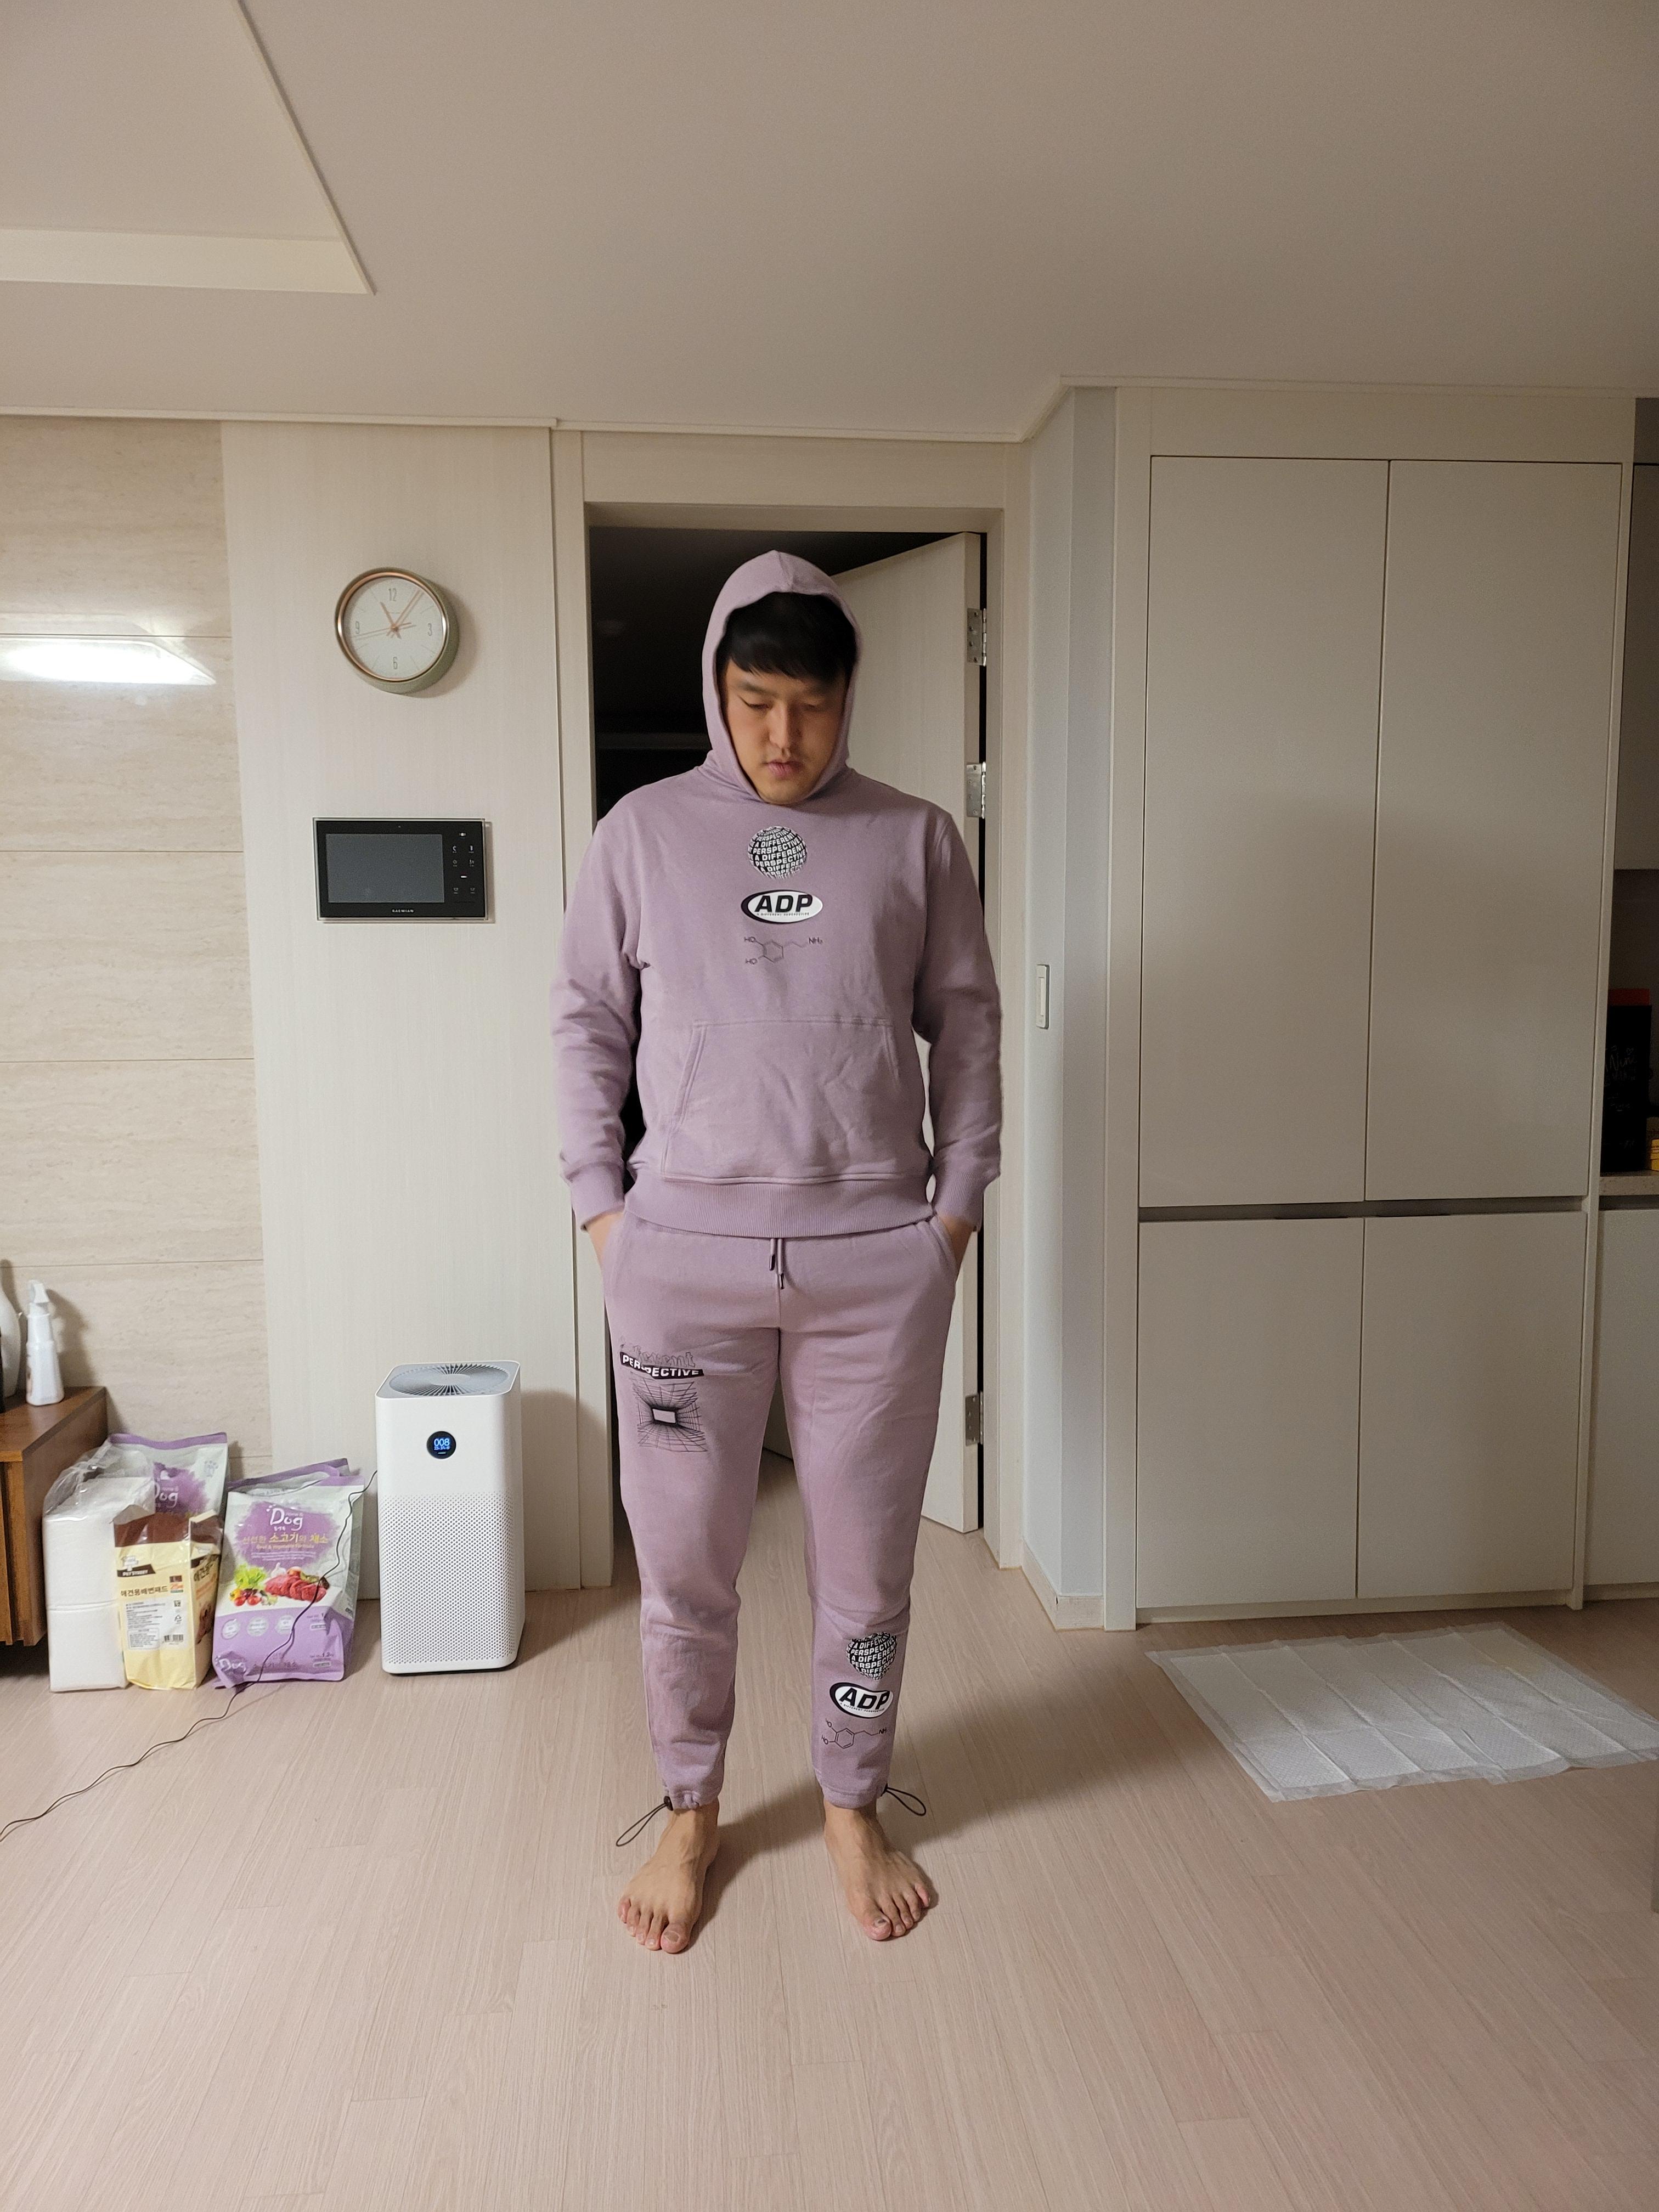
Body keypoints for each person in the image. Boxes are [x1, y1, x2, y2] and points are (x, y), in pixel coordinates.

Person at [551, 550, 1001, 1952]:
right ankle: (692, 1806)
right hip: (681, 1263)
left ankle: (852, 1800)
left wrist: (956, 1211)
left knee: (868, 1574)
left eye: (810, 705)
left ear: (849, 696)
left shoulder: (917, 838)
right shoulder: (641, 834)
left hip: (876, 1266)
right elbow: (585, 1024)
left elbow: (969, 1026)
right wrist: (605, 1211)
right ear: (718, 691)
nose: (783, 736)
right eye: (756, 703)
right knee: (687, 1569)